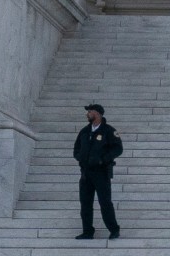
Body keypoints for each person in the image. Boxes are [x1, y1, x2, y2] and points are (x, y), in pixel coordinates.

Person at [73, 103, 123, 240]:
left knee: (105, 203)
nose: (87, 114)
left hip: (101, 173)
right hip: (85, 174)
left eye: (89, 111)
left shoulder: (109, 131)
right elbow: (76, 148)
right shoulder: (84, 131)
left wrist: (103, 159)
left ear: (97, 113)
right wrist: (80, 158)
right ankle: (87, 231)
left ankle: (114, 230)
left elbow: (118, 148)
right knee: (85, 204)